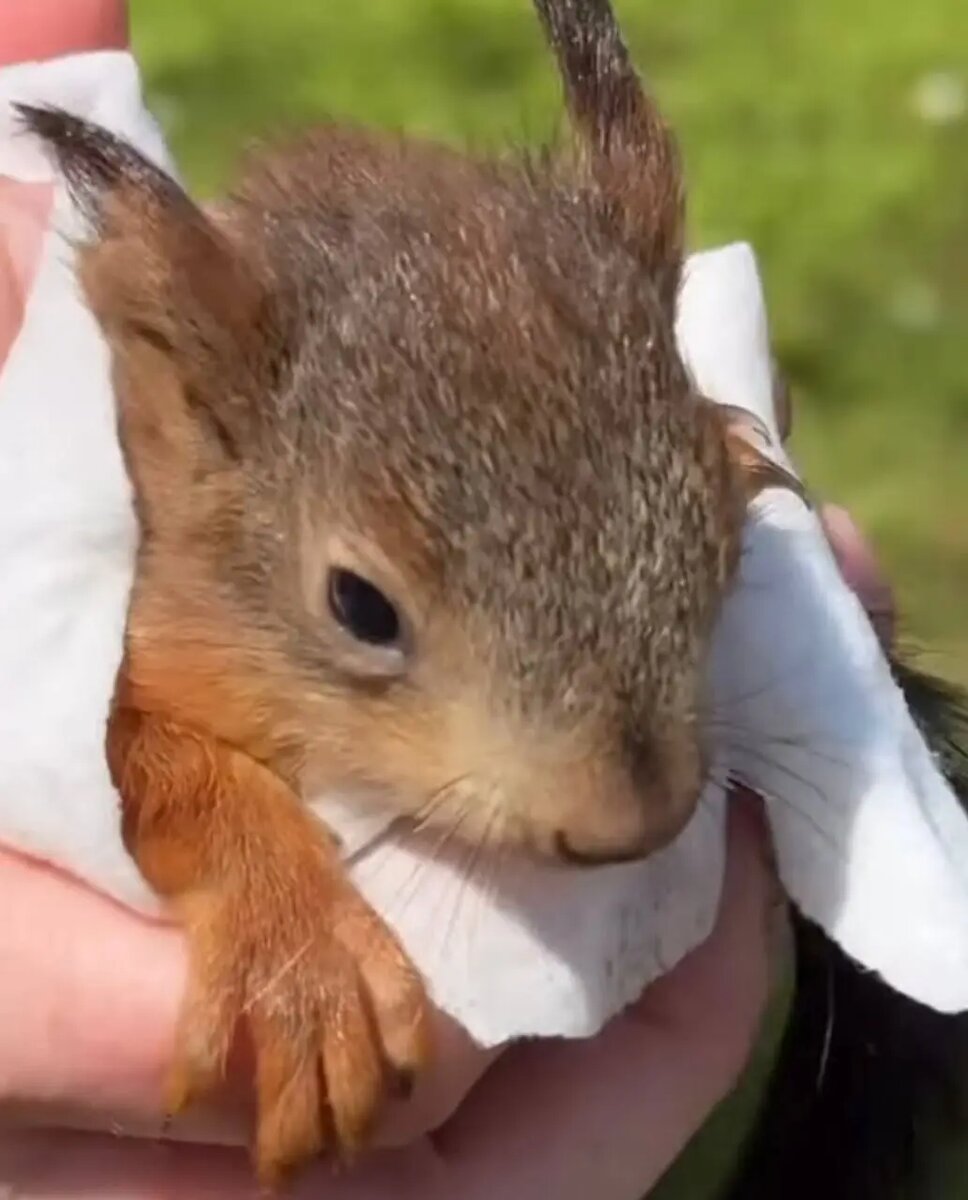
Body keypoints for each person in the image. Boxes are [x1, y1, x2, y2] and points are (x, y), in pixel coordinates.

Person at [0, 3, 895, 1195]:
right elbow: (133, 731)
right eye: (367, 614)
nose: (627, 814)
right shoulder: (184, 522)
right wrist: (254, 882)